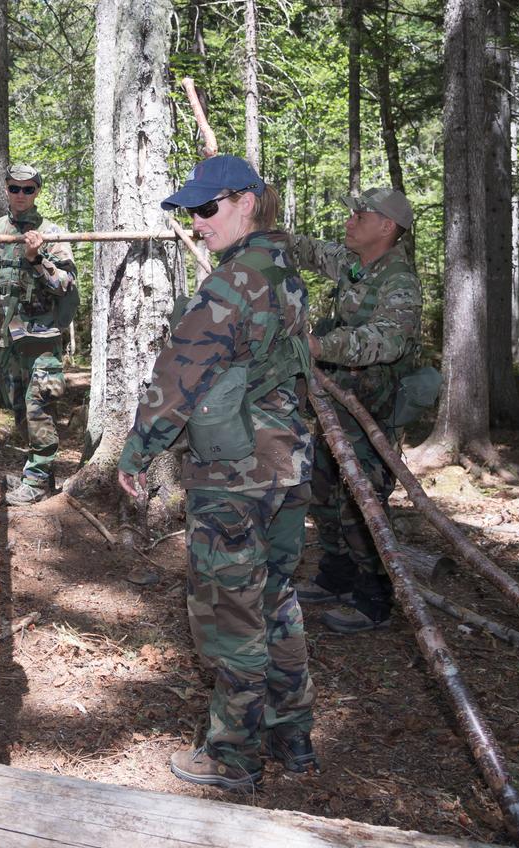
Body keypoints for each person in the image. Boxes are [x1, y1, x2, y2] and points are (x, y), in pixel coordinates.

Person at [117, 155, 318, 792]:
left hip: (236, 476)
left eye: (207, 210)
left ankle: (233, 754)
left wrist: (137, 450)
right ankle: (293, 735)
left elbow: (180, 375)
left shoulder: (232, 284)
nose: (197, 224)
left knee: (229, 612)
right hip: (287, 466)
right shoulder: (285, 273)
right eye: (191, 213)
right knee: (276, 599)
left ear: (246, 203)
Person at [290, 187, 423, 634]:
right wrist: (255, 225)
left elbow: (388, 340)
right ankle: (337, 575)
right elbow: (305, 248)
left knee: (363, 500)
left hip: (373, 411)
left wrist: (320, 345)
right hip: (336, 402)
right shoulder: (352, 262)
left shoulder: (399, 282)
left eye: (360, 215)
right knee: (322, 487)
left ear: (386, 227)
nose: (350, 220)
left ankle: (375, 597)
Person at [0, 164, 78, 505]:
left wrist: (37, 260)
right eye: (15, 188)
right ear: (6, 189)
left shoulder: (52, 232)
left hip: (41, 338)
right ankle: (41, 473)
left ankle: (35, 480)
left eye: (28, 189)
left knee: (39, 407)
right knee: (20, 409)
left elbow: (66, 284)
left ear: (37, 191)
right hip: (5, 338)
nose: (21, 195)